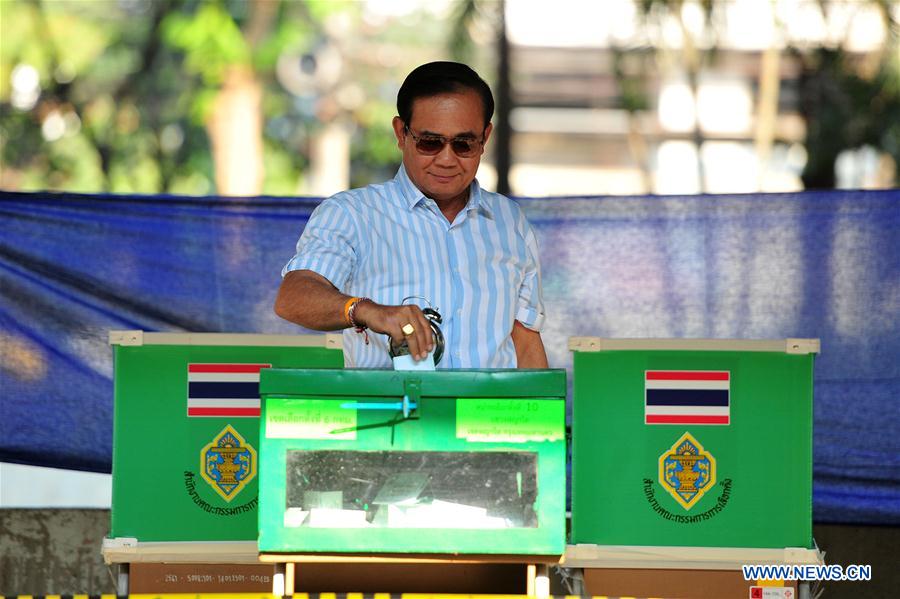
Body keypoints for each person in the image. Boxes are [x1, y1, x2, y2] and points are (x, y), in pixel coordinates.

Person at [274, 61, 547, 369]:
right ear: (401, 133)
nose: (446, 159)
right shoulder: (352, 215)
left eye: (463, 144)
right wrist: (366, 310)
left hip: (488, 417)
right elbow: (293, 297)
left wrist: (544, 415)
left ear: (484, 138)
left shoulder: (509, 222)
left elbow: (524, 341)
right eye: (430, 142)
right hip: (393, 415)